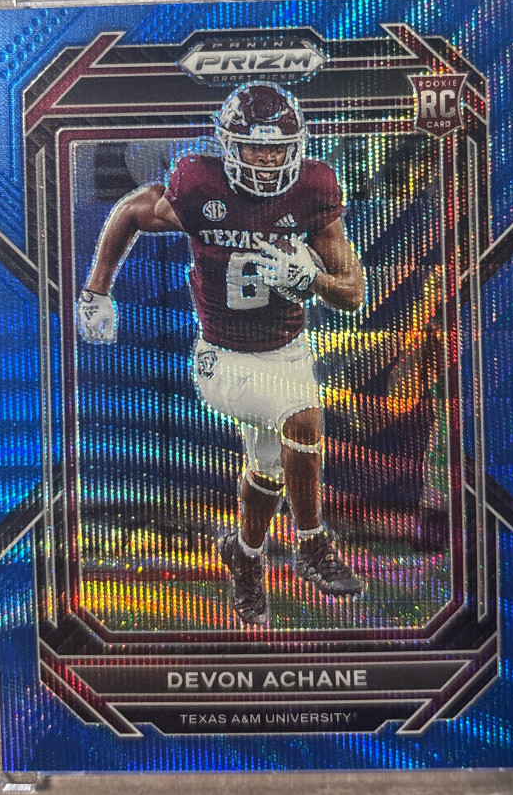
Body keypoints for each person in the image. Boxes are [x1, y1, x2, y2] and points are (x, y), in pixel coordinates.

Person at [77, 82, 365, 626]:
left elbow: (352, 293)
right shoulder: (199, 183)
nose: (268, 160)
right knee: (303, 418)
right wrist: (97, 289)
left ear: (297, 148)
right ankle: (311, 543)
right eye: (256, 147)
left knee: (270, 468)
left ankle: (245, 557)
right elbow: (134, 209)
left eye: (279, 149)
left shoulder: (313, 189)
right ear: (229, 146)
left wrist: (312, 280)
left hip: (288, 351)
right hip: (221, 355)